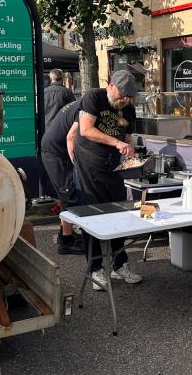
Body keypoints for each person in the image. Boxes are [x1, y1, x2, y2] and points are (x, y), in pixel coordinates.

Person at [74, 70, 143, 290]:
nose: (124, 99)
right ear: (111, 85)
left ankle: (119, 265)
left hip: (115, 167)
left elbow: (128, 138)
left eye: (128, 96)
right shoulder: (94, 97)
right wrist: (116, 143)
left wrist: (130, 149)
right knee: (93, 216)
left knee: (120, 213)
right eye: (122, 94)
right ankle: (95, 270)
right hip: (90, 165)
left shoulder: (128, 109)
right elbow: (86, 130)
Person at [41, 99, 84, 255]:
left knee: (65, 193)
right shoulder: (85, 108)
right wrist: (77, 164)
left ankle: (64, 233)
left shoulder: (78, 103)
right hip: (55, 152)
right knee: (68, 195)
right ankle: (66, 243)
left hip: (54, 149)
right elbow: (71, 137)